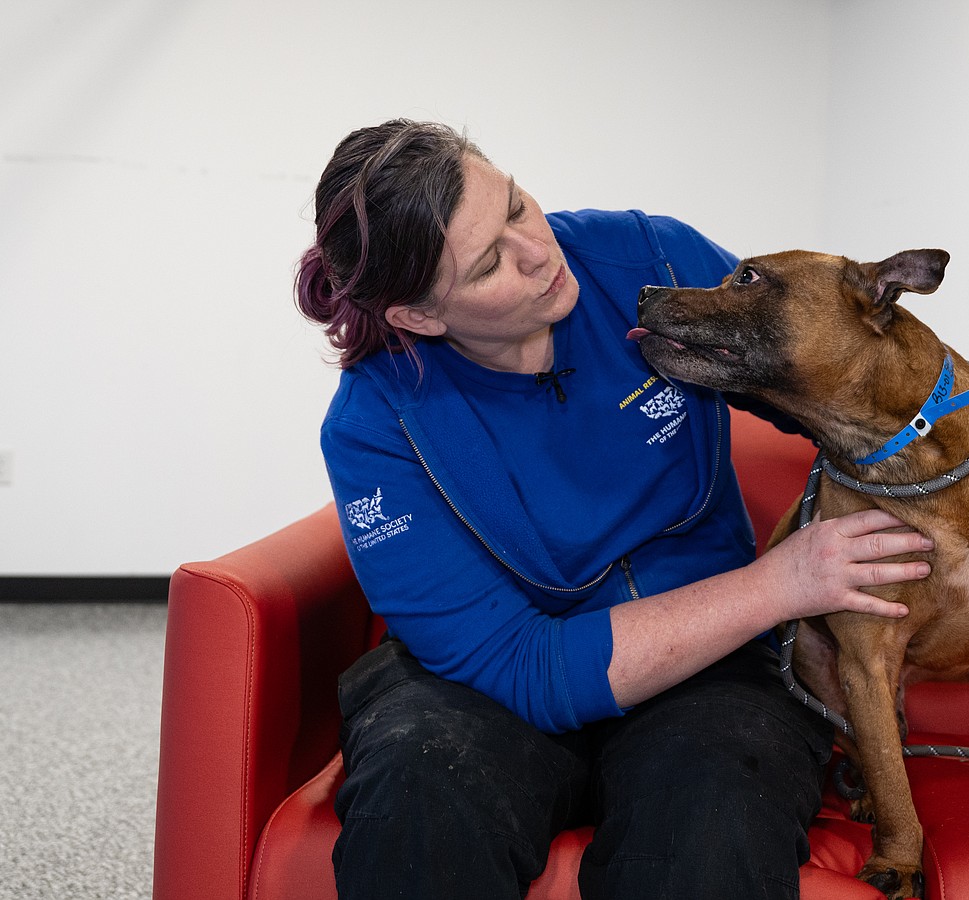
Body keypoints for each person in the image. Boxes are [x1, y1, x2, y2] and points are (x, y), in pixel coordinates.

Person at [295, 118, 933, 900]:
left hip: (714, 668)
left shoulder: (649, 261)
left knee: (714, 814)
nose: (539, 253)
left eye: (517, 207)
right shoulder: (375, 426)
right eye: (491, 261)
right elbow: (519, 666)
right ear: (420, 318)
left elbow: (855, 390)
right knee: (418, 795)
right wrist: (783, 583)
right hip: (485, 691)